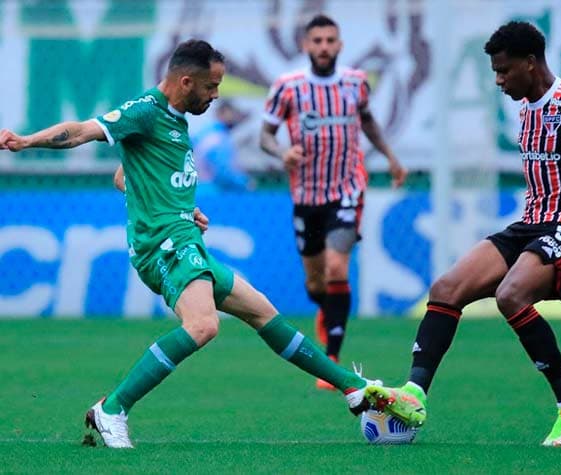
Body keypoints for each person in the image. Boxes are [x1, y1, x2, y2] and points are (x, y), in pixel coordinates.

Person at [0, 39, 417, 448]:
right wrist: (26, 141)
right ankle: (112, 408)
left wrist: (177, 206)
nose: (216, 95)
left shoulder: (174, 122)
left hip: (182, 237)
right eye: (211, 86)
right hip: (164, 246)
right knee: (202, 326)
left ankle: (352, 388)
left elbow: (122, 177)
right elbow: (82, 131)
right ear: (185, 82)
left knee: (263, 313)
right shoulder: (145, 111)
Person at [365, 21, 561, 443]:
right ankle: (414, 394)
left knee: (510, 296)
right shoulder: (528, 106)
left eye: (504, 70)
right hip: (531, 225)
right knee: (445, 288)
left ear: (531, 64)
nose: (498, 80)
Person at [259, 14, 408, 391]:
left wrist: (390, 157)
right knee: (315, 283)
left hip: (347, 188)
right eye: (317, 41)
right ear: (306, 45)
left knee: (337, 269)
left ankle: (334, 356)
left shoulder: (355, 82)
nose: (324, 46)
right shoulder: (288, 87)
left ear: (339, 45)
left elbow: (368, 121)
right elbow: (265, 136)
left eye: (330, 40)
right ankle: (327, 310)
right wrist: (281, 153)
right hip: (306, 195)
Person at [192, 99, 253, 192]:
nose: (236, 117)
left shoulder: (203, 134)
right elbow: (223, 172)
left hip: (195, 191)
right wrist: (245, 183)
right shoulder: (219, 138)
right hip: (213, 194)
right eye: (233, 113)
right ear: (223, 113)